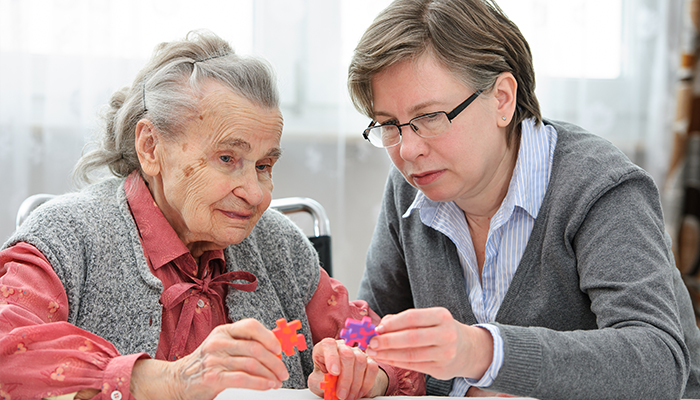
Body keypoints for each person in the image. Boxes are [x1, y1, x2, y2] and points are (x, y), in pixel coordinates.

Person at [0, 31, 424, 400]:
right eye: (227, 158)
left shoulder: (278, 246)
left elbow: (367, 335)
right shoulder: (69, 237)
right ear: (151, 147)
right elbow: (7, 348)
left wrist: (367, 369)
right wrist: (169, 381)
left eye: (263, 166)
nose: (255, 194)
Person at [346, 0, 700, 398]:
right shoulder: (410, 186)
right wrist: (352, 355)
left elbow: (659, 363)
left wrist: (483, 352)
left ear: (502, 98)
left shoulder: (601, 187)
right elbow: (371, 323)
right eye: (389, 125)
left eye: (430, 117)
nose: (407, 150)